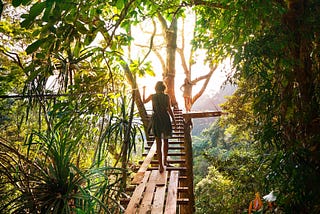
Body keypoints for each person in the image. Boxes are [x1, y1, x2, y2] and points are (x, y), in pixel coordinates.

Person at [143, 81, 176, 173]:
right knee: (166, 141)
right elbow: (169, 109)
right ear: (163, 88)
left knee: (158, 142)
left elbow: (144, 101)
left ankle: (160, 165)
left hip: (156, 119)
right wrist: (174, 121)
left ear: (156, 88)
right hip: (165, 118)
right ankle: (165, 161)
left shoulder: (152, 96)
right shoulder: (166, 97)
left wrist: (144, 91)